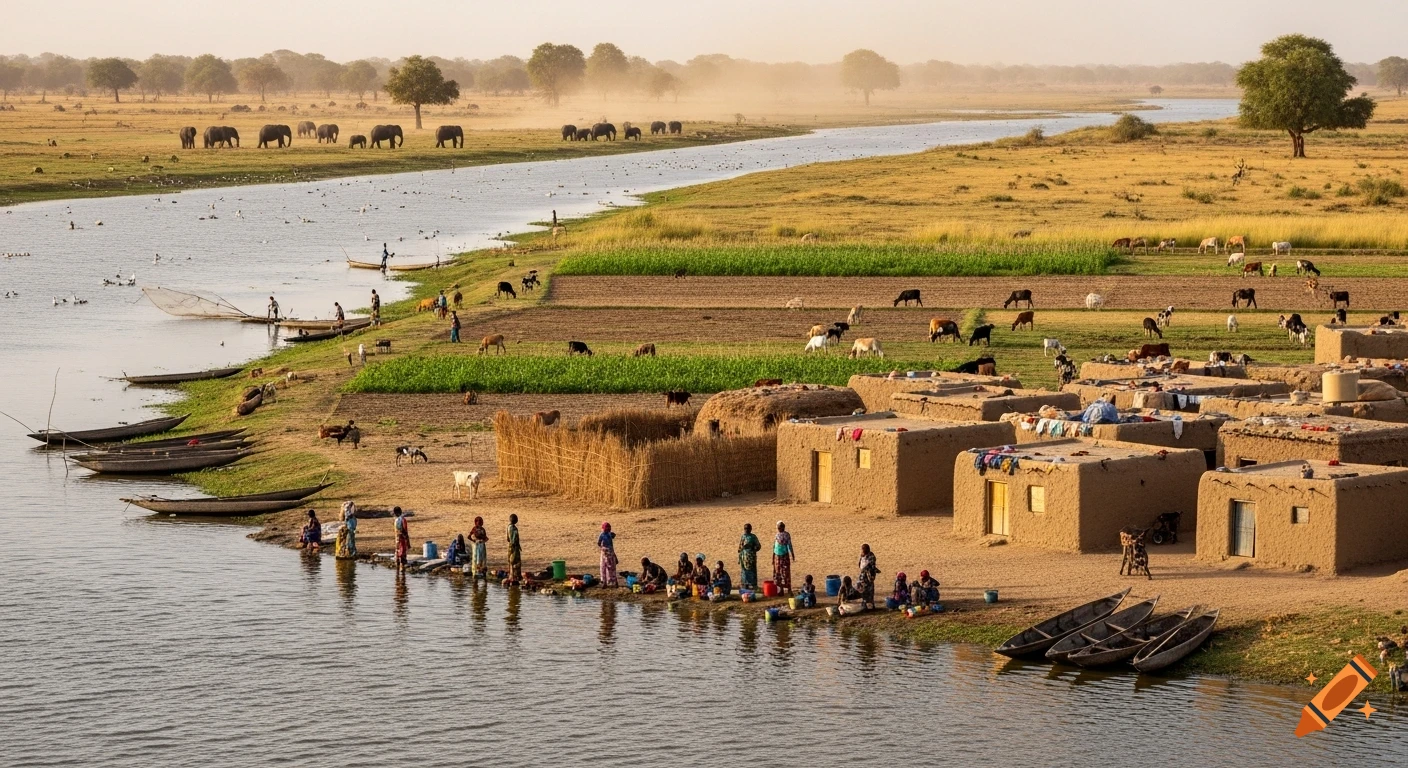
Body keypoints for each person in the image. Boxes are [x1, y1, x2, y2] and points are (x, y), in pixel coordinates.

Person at [772, 521, 795, 595]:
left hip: (784, 556)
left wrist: (792, 554)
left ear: (783, 527)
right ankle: (781, 590)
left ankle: (789, 589)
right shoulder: (777, 535)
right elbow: (774, 547)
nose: (778, 529)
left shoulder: (786, 535)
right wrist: (773, 558)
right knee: (778, 573)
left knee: (785, 572)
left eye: (780, 527)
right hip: (777, 557)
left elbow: (789, 545)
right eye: (778, 527)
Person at [738, 523, 761, 590]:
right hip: (744, 557)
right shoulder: (743, 536)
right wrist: (741, 550)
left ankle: (753, 584)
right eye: (745, 528)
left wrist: (753, 548)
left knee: (752, 571)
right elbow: (740, 547)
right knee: (744, 571)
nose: (746, 530)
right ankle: (745, 584)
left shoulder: (753, 537)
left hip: (751, 556)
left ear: (751, 529)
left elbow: (758, 546)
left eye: (748, 528)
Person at [857, 544, 879, 610]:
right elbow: (860, 565)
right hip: (863, 576)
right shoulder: (863, 555)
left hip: (868, 577)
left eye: (864, 549)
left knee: (869, 591)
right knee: (864, 590)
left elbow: (871, 567)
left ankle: (870, 605)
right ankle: (865, 605)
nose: (863, 550)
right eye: (862, 549)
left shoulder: (871, 556)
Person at [598, 522, 619, 587]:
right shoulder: (608, 534)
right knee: (611, 568)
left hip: (606, 553)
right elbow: (614, 535)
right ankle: (613, 582)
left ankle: (606, 583)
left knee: (604, 567)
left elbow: (598, 543)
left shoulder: (602, 534)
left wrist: (602, 547)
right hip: (609, 553)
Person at [506, 514, 522, 583]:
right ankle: (515, 576)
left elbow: (508, 539)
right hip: (514, 546)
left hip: (510, 546)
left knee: (510, 560)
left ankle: (511, 575)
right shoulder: (515, 529)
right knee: (515, 561)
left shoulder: (508, 527)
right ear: (516, 521)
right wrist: (517, 546)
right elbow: (515, 539)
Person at [393, 507, 410, 571]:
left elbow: (397, 530)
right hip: (402, 538)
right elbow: (404, 530)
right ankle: (402, 567)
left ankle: (397, 568)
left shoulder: (396, 520)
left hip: (397, 538)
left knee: (397, 551)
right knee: (402, 551)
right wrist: (407, 539)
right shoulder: (402, 520)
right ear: (401, 511)